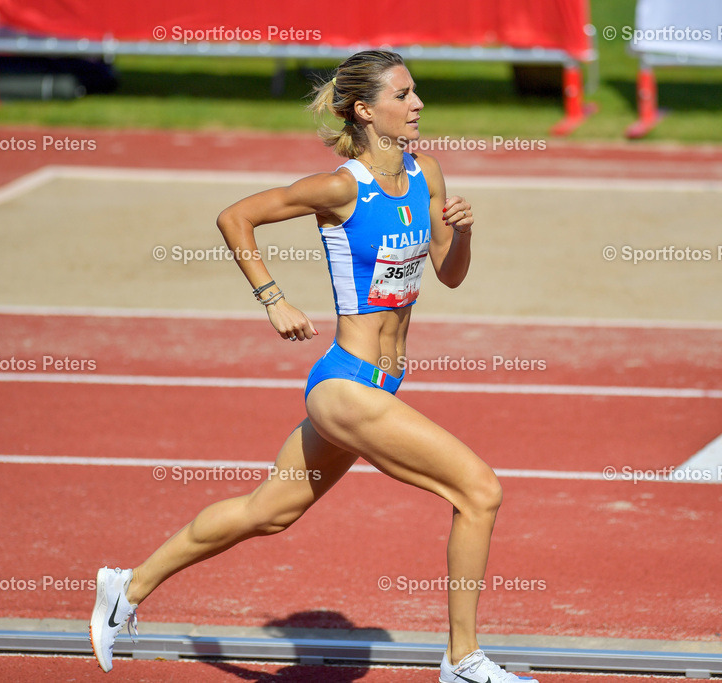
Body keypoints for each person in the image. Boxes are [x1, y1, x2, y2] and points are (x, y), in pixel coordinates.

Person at [89, 49, 536, 683]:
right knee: (479, 490)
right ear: (364, 110)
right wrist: (273, 299)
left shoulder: (426, 173)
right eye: (404, 95)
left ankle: (126, 585)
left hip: (383, 382)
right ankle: (462, 660)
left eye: (416, 93)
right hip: (345, 386)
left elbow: (450, 275)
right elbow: (235, 217)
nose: (418, 105)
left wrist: (462, 233)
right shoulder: (340, 187)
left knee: (268, 512)